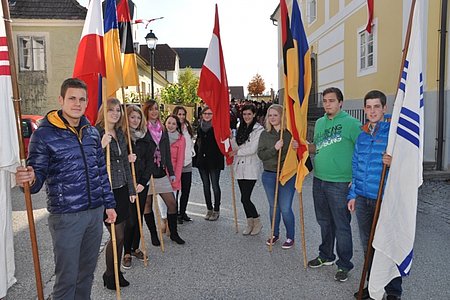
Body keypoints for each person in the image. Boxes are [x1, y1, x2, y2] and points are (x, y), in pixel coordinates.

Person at [15, 78, 116, 299]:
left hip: (94, 213)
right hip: (67, 217)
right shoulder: (44, 134)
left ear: (87, 102)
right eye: (72, 98)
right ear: (61, 100)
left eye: (82, 99)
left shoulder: (91, 132)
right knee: (67, 279)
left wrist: (109, 204)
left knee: (86, 274)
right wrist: (30, 179)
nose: (77, 103)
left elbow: (100, 171)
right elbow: (36, 177)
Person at [347, 90, 402, 300]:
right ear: (364, 110)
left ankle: (393, 292)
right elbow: (356, 165)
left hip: (384, 199)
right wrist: (352, 194)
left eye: (376, 106)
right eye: (368, 107)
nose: (372, 111)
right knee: (368, 245)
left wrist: (393, 161)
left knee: (387, 246)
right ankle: (374, 286)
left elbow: (407, 164)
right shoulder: (361, 135)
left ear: (384, 108)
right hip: (362, 199)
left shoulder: (393, 135)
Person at [307, 87, 362, 282]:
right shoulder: (320, 122)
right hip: (319, 179)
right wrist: (304, 146)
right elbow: (318, 148)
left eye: (331, 100)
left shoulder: (352, 124)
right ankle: (326, 255)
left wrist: (355, 181)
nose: (327, 104)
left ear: (340, 102)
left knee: (341, 225)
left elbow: (362, 150)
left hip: (340, 183)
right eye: (325, 101)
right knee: (324, 221)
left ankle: (344, 264)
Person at [95, 98, 136, 290]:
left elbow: (125, 164)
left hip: (121, 189)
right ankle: (109, 274)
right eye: (111, 110)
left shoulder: (120, 133)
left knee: (122, 233)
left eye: (118, 110)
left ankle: (116, 270)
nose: (115, 113)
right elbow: (88, 162)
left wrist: (131, 189)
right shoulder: (95, 133)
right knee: (116, 235)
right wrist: (100, 147)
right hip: (106, 190)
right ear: (104, 111)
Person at [142, 100, 185, 245]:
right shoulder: (142, 129)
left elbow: (166, 152)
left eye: (156, 109)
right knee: (147, 205)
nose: (154, 112)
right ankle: (154, 235)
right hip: (146, 175)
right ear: (146, 111)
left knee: (172, 204)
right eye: (151, 109)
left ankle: (173, 233)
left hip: (161, 172)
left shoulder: (162, 129)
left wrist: (171, 172)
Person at [257, 104, 298, 249]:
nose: (272, 118)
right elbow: (261, 155)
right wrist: (274, 149)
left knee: (285, 207)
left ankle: (290, 236)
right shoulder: (265, 134)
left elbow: (298, 155)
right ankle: (275, 233)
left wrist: (296, 146)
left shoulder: (289, 133)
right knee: (274, 206)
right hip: (269, 175)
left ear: (282, 116)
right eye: (270, 115)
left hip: (286, 175)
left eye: (275, 115)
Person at [122, 105, 155, 270]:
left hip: (142, 184)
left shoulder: (145, 136)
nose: (135, 120)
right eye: (132, 117)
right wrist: (126, 159)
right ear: (126, 118)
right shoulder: (122, 136)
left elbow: (150, 162)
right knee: (130, 220)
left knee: (139, 217)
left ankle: (135, 248)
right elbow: (113, 160)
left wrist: (143, 182)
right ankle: (126, 252)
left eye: (138, 117)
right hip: (127, 185)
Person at [230, 104, 264, 235]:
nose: (247, 116)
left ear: (254, 114)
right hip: (240, 167)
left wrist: (236, 153)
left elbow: (252, 149)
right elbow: (236, 147)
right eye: (244, 114)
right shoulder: (240, 128)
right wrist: (231, 138)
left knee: (245, 198)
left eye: (249, 114)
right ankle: (249, 223)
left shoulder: (258, 130)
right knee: (243, 198)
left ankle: (257, 221)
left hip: (250, 167)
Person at [193, 106, 225, 221]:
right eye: (205, 113)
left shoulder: (217, 127)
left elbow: (223, 142)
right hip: (202, 160)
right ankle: (209, 209)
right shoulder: (200, 127)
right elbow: (198, 143)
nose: (207, 115)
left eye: (210, 114)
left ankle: (216, 209)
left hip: (214, 160)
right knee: (206, 186)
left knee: (215, 186)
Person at [173, 105, 195, 223]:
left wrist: (191, 153)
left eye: (183, 114)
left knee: (186, 190)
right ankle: (175, 214)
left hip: (187, 163)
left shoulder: (187, 127)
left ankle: (183, 212)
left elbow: (191, 143)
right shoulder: (172, 127)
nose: (181, 116)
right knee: (176, 190)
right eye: (179, 114)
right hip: (176, 165)